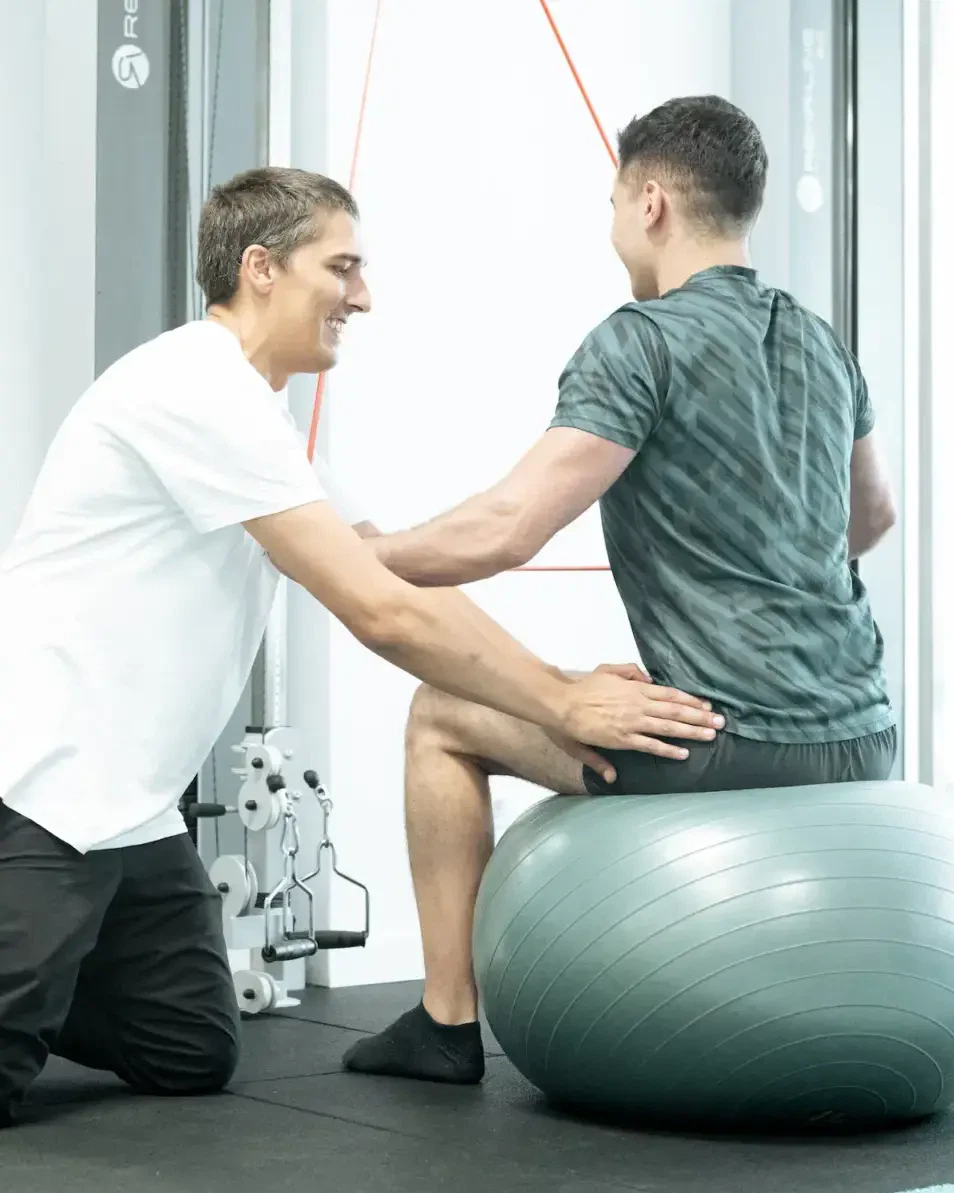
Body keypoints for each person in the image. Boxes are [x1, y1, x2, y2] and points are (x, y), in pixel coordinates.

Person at [0, 168, 724, 1128]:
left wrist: (560, 648)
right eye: (341, 268)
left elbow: (383, 559)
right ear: (260, 267)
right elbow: (376, 608)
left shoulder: (259, 418)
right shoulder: (190, 387)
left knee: (189, 1052)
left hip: (135, 811)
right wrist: (557, 700)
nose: (364, 295)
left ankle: (42, 980)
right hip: (44, 791)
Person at [340, 95, 899, 1087]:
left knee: (439, 713)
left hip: (733, 747)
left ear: (650, 204)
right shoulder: (822, 342)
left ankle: (443, 1023)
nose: (610, 229)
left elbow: (508, 526)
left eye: (610, 204)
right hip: (864, 732)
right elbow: (871, 521)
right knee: (576, 681)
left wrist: (361, 553)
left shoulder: (639, 341)